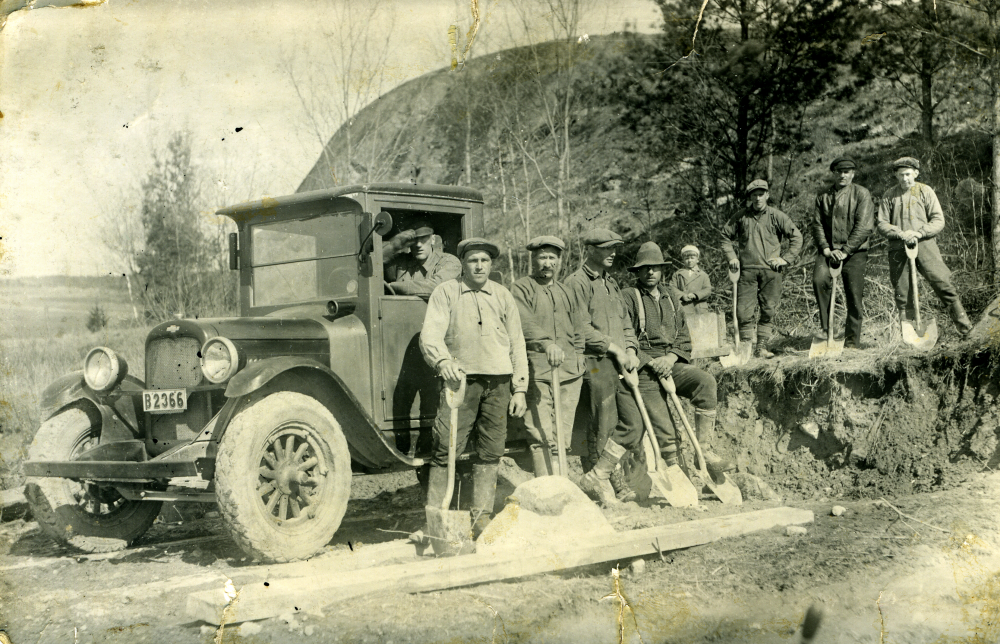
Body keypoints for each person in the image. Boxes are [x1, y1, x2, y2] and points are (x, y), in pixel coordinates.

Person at [419, 238, 528, 536]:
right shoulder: (447, 292)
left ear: (491, 265)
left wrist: (520, 388)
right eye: (472, 261)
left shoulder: (503, 295)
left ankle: (482, 517)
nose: (479, 266)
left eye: (484, 261)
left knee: (492, 449)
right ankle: (437, 519)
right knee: (446, 445)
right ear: (463, 264)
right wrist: (443, 363)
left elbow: (517, 343)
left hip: (499, 382)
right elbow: (430, 336)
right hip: (461, 383)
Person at [622, 242, 735, 475]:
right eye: (645, 268)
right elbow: (625, 336)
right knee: (665, 425)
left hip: (671, 362)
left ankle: (704, 451)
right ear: (637, 272)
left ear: (662, 270)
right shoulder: (629, 297)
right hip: (644, 368)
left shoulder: (672, 296)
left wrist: (671, 358)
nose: (650, 272)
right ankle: (676, 469)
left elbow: (684, 336)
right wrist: (650, 361)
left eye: (655, 268)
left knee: (705, 382)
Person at [563, 228, 644, 505]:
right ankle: (605, 487)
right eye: (606, 248)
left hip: (620, 362)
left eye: (615, 248)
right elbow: (580, 329)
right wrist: (616, 349)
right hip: (594, 363)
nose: (612, 253)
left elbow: (625, 323)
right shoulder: (576, 283)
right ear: (590, 250)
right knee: (602, 424)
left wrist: (631, 350)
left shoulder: (612, 283)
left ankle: (602, 473)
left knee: (633, 423)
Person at [511, 236, 586, 477]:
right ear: (533, 259)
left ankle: (561, 485)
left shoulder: (566, 290)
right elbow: (525, 322)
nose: (547, 263)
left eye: (552, 257)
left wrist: (580, 353)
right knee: (540, 432)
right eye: (542, 257)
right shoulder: (521, 288)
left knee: (563, 433)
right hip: (538, 370)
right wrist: (546, 344)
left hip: (570, 374)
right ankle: (545, 487)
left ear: (560, 261)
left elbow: (578, 326)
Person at [876, 157, 973, 337]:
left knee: (943, 283)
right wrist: (900, 233)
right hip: (898, 247)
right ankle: (911, 336)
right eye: (901, 175)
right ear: (896, 176)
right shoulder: (889, 195)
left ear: (916, 173)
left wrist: (919, 233)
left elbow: (938, 220)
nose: (905, 179)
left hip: (925, 245)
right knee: (902, 292)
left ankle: (966, 329)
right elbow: (882, 223)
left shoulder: (925, 191)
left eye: (908, 174)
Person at [722, 179, 803, 358]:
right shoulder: (741, 216)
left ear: (767, 195)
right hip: (747, 271)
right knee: (743, 311)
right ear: (750, 197)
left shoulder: (777, 216)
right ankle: (746, 349)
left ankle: (761, 348)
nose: (758, 198)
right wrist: (732, 257)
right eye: (754, 195)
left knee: (768, 309)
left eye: (761, 194)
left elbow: (796, 237)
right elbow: (725, 237)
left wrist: (785, 259)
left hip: (771, 271)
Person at [812, 157, 875, 349]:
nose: (842, 175)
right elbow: (817, 224)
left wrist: (846, 251)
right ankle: (827, 330)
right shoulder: (823, 196)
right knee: (819, 280)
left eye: (847, 171)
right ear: (833, 173)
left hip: (854, 252)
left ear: (853, 174)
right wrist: (825, 248)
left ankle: (851, 342)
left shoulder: (862, 194)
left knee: (854, 295)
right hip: (829, 251)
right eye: (839, 171)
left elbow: (864, 227)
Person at [383, 222, 461, 297]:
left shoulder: (449, 261)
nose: (418, 245)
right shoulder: (402, 261)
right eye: (414, 240)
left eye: (423, 238)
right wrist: (393, 246)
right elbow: (376, 264)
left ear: (433, 239)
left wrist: (392, 286)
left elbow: (436, 287)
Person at [669, 245, 712, 314]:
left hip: (699, 309)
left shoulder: (703, 275)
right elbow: (671, 288)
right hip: (683, 306)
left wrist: (696, 295)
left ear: (697, 259)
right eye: (686, 258)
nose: (689, 260)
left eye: (692, 258)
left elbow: (707, 290)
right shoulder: (677, 274)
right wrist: (682, 295)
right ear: (683, 260)